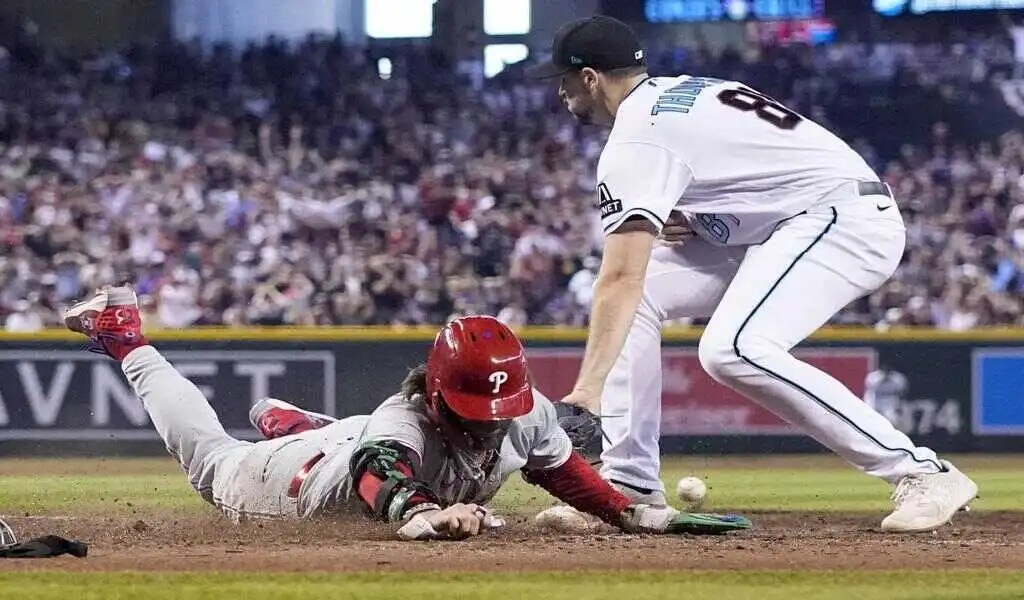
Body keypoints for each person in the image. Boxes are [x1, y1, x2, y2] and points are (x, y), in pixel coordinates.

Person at [526, 15, 977, 532]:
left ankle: (919, 470)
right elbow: (760, 176)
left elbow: (619, 276)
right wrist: (703, 220)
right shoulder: (684, 92)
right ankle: (630, 484)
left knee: (731, 348)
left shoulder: (637, 140)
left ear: (591, 78)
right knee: (649, 294)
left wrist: (587, 392)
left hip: (842, 221)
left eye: (562, 78)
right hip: (796, 219)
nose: (559, 91)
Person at [62, 286, 750, 540]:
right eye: (477, 407)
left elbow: (566, 471)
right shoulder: (405, 424)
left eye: (500, 407)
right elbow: (379, 470)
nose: (492, 421)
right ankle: (127, 337)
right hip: (285, 486)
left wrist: (640, 514)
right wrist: (420, 512)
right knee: (210, 461)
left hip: (366, 444)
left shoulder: (524, 410)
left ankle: (308, 426)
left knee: (368, 438)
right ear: (438, 394)